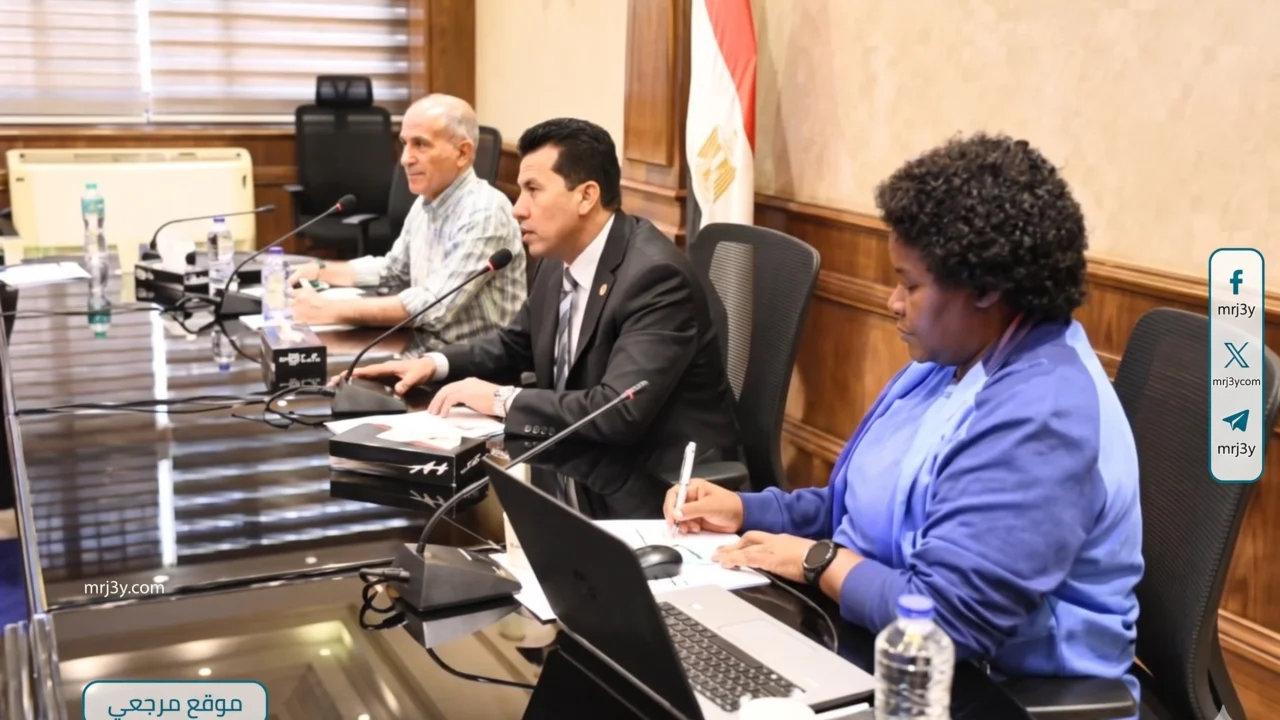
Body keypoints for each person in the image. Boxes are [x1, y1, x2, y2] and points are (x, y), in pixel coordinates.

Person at [664, 134, 1144, 691]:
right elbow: (858, 507)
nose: (893, 302)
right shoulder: (950, 361)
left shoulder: (1043, 414)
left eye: (910, 284)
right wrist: (747, 510)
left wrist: (819, 562)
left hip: (994, 689)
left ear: (986, 288)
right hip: (880, 639)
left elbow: (948, 622)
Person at [346, 118, 741, 511]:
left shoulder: (655, 277)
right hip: (581, 465)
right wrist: (433, 364)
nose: (518, 209)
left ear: (586, 196)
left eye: (533, 190)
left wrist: (500, 398)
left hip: (661, 486)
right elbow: (515, 344)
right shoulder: (558, 258)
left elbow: (619, 410)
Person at [287, 93, 525, 341]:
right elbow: (393, 272)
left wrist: (329, 310)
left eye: (420, 144)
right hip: (427, 347)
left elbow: (433, 305)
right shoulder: (425, 201)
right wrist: (320, 271)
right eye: (405, 143)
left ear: (462, 153)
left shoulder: (485, 211)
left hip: (474, 360)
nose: (405, 159)